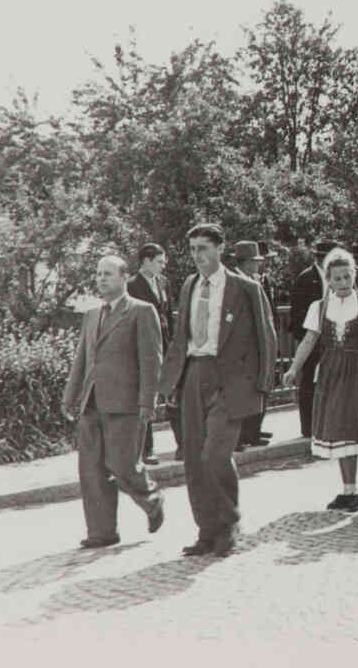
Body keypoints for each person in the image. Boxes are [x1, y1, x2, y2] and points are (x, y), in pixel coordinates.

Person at [159, 223, 278, 557]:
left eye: (204, 248)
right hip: (194, 375)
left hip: (231, 379)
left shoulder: (245, 287)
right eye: (193, 249)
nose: (198, 256)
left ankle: (228, 523)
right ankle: (207, 530)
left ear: (220, 248)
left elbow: (266, 334)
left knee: (215, 454)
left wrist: (263, 384)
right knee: (194, 460)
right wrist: (169, 382)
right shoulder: (189, 286)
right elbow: (181, 337)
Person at [62, 255, 165, 549]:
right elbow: (82, 358)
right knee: (91, 470)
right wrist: (70, 396)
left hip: (126, 403)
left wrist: (148, 402)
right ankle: (102, 532)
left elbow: (151, 361)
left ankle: (152, 500)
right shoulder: (92, 315)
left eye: (108, 274)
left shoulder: (141, 312)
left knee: (123, 465)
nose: (101, 279)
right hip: (91, 402)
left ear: (123, 278)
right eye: (98, 274)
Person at [282, 248, 358, 511]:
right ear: (329, 280)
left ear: (354, 276)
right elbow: (309, 340)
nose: (343, 283)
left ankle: (352, 489)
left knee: (351, 428)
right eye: (337, 279)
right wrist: (293, 369)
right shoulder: (319, 307)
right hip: (331, 371)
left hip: (357, 370)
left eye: (347, 277)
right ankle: (348, 490)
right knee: (336, 427)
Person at [127, 242, 177, 463]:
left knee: (174, 393)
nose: (163, 266)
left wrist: (175, 344)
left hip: (166, 345)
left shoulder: (164, 282)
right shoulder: (130, 286)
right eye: (159, 261)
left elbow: (169, 315)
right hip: (144, 348)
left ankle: (184, 445)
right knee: (146, 397)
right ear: (146, 261)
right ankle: (146, 450)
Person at [289, 240, 337, 438]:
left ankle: (330, 423)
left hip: (334, 339)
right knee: (308, 384)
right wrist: (308, 339)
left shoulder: (338, 276)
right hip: (312, 340)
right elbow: (297, 314)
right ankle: (307, 427)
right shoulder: (305, 278)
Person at [232, 240, 276, 451]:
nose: (259, 265)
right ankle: (239, 437)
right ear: (246, 262)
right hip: (242, 348)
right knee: (241, 392)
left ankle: (251, 433)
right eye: (255, 261)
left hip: (253, 347)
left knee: (254, 391)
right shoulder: (237, 283)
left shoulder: (250, 280)